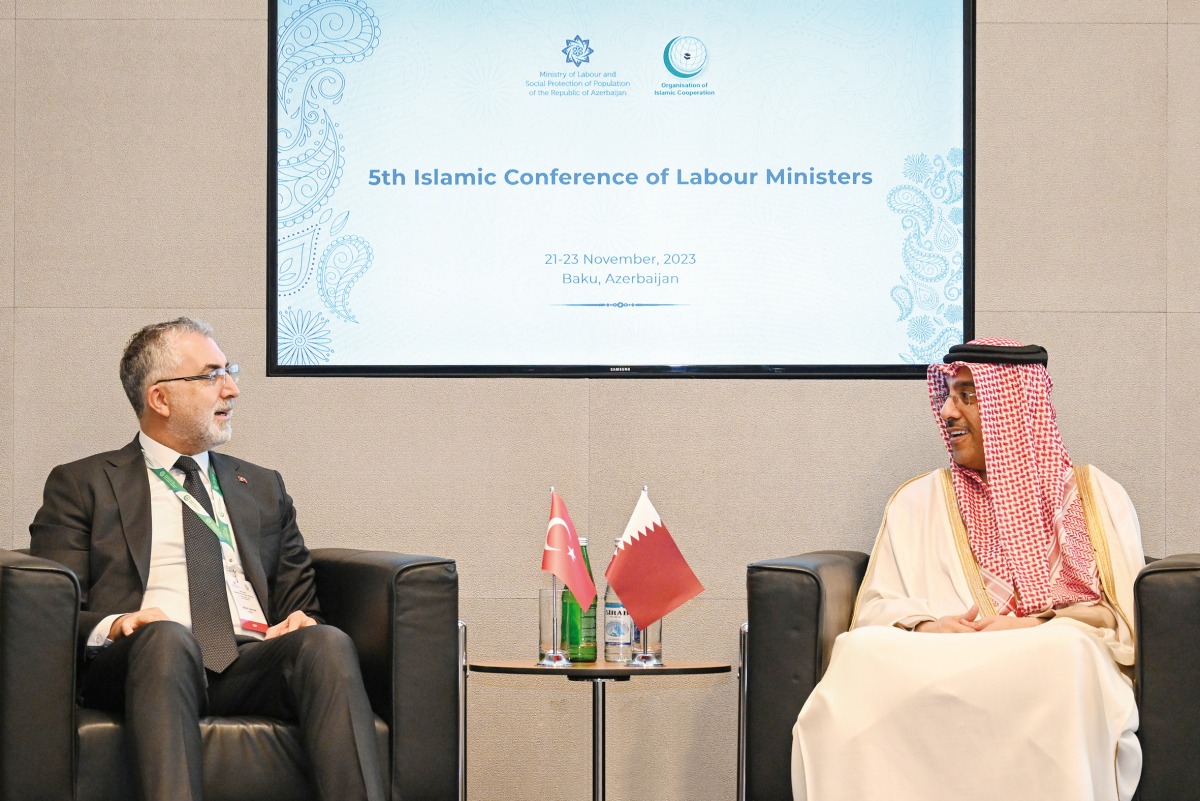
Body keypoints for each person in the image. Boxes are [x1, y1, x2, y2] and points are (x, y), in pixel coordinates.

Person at [30, 317, 386, 801]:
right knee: (167, 639)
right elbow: (51, 609)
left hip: (247, 659)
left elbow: (301, 605)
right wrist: (119, 624)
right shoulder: (82, 484)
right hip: (144, 659)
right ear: (160, 398)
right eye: (212, 375)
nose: (232, 389)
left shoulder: (262, 487)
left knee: (324, 644)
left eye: (229, 370)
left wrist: (298, 623)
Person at [790, 338, 1145, 801]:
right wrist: (927, 624)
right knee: (860, 652)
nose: (948, 412)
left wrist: (1033, 622)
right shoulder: (920, 499)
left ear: (1014, 408)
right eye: (948, 396)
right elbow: (877, 604)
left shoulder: (1092, 495)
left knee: (1063, 652)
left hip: (1046, 649)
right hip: (939, 653)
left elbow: (1124, 619)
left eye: (968, 396)